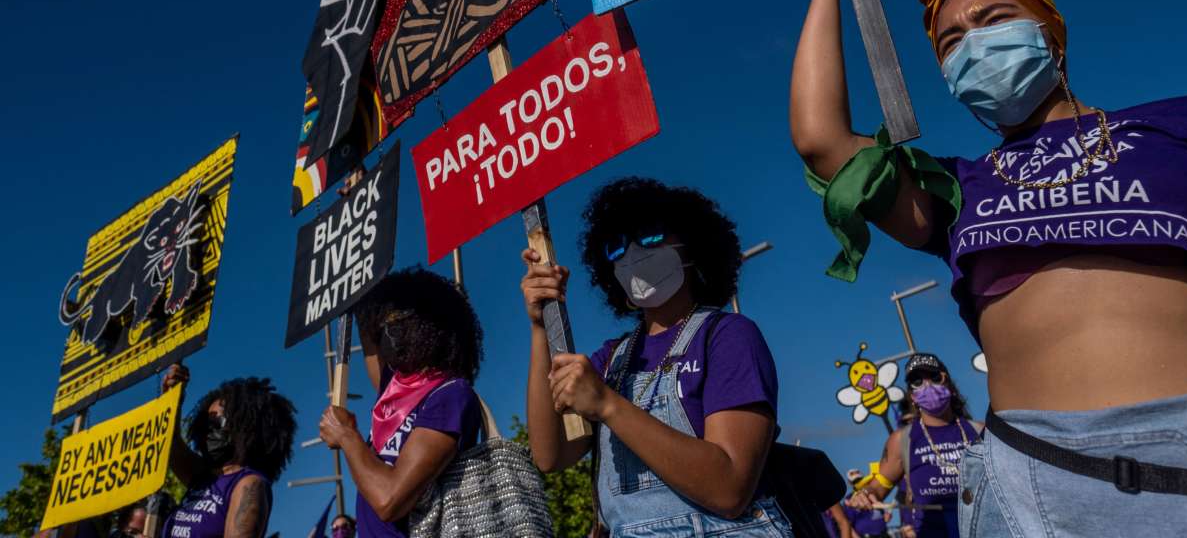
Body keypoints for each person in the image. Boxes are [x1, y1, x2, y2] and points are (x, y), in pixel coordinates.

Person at [790, 0, 1187, 535]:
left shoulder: (1174, 128)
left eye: (994, 18)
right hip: (1026, 480)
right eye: (952, 42)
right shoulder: (955, 187)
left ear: (1051, 34)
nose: (973, 42)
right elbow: (821, 140)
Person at [522, 177, 793, 536]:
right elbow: (550, 455)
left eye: (649, 235)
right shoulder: (611, 359)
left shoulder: (728, 336)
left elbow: (729, 487)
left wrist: (607, 405)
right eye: (617, 247)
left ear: (691, 247)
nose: (633, 253)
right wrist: (541, 325)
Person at [318, 268, 483, 538]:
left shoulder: (450, 395)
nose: (386, 332)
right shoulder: (393, 389)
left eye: (394, 321)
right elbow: (367, 332)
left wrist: (347, 436)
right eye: (381, 325)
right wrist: (357, 280)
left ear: (430, 323)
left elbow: (390, 500)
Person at [847, 355, 980, 537]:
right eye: (917, 381)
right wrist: (864, 493)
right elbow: (879, 487)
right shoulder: (902, 440)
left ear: (949, 384)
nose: (927, 385)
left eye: (934, 377)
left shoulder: (980, 432)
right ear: (912, 396)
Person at [161, 366, 297, 538]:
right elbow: (170, 443)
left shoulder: (249, 484)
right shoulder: (203, 477)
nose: (208, 430)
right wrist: (171, 399)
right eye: (205, 423)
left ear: (245, 426)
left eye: (216, 422)